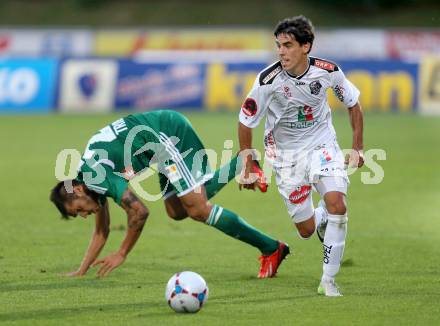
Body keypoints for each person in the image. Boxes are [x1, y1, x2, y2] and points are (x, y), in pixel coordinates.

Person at [50, 110, 289, 278]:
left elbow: (140, 212)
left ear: (78, 189)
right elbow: (101, 231)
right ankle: (240, 163)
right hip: (157, 147)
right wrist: (82, 270)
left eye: (78, 210)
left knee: (197, 209)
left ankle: (271, 248)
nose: (83, 215)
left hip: (168, 134)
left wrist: (121, 253)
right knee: (176, 211)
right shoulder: (91, 179)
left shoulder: (96, 175)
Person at [238, 16, 364, 296]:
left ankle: (328, 282)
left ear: (306, 46)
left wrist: (357, 148)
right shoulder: (267, 80)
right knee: (306, 229)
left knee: (337, 205)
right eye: (278, 45)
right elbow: (246, 120)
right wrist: (248, 162)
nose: (281, 51)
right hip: (286, 156)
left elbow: (353, 104)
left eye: (288, 45)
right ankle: (321, 220)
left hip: (322, 146)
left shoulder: (327, 71)